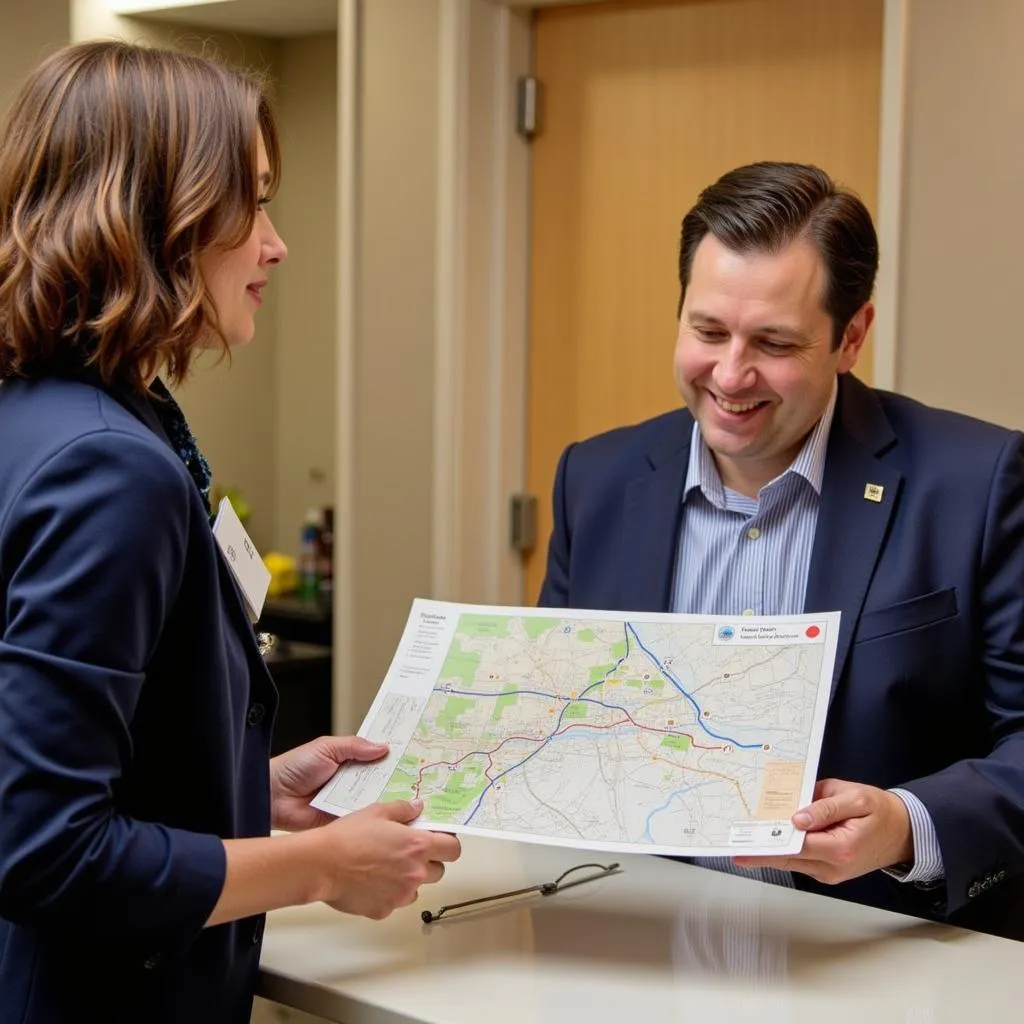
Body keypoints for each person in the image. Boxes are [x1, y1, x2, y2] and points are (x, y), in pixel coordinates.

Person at [0, 41, 460, 1024]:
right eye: (249, 202)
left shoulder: (45, 414)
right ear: (155, 220)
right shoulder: (107, 468)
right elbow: (45, 849)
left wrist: (245, 793)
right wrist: (320, 863)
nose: (276, 242)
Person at [537, 160, 1024, 941]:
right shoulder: (594, 480)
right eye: (707, 331)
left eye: (774, 341)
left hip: (879, 963)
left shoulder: (974, 483)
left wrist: (905, 824)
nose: (731, 375)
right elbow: (557, 722)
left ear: (851, 336)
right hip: (632, 953)